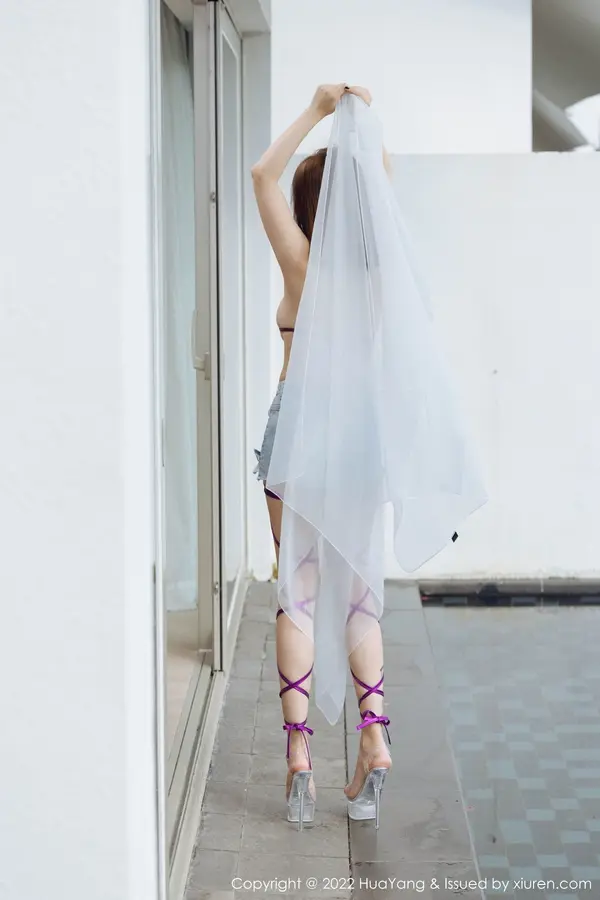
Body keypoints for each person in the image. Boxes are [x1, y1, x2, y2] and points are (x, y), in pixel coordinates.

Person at [251, 84, 393, 830]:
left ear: (308, 208)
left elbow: (261, 175)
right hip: (360, 440)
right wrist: (362, 123)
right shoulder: (377, 269)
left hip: (298, 434)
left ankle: (300, 759)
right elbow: (379, 179)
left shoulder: (300, 263)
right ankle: (374, 738)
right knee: (359, 590)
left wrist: (317, 110)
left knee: (296, 592)